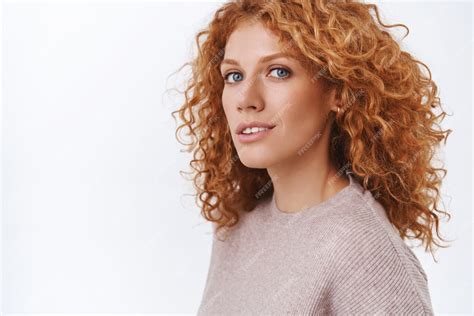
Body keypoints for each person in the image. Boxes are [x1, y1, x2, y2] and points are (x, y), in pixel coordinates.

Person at [171, 0, 452, 314]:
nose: (246, 100)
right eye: (234, 76)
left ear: (340, 93)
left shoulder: (363, 248)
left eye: (279, 72)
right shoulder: (237, 221)